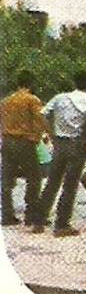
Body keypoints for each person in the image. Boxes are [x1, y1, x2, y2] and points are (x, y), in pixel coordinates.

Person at [31, 72, 86, 237]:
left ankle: (38, 221)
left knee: (52, 182)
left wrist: (51, 134)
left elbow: (42, 114)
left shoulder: (60, 98)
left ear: (74, 82)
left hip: (59, 143)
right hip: (76, 144)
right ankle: (62, 224)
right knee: (70, 185)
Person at [1, 70, 47, 228]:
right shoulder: (31, 100)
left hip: (7, 141)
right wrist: (38, 136)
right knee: (33, 179)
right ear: (31, 83)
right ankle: (31, 214)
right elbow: (41, 119)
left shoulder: (6, 100)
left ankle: (7, 215)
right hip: (24, 141)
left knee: (7, 180)